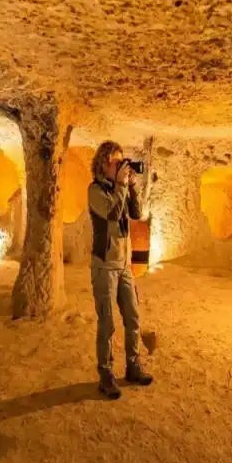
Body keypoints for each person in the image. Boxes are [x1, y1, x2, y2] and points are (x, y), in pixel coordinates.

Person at [87, 141, 154, 399]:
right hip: (104, 267)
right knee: (107, 323)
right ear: (104, 164)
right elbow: (113, 214)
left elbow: (135, 214)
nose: (122, 166)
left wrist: (133, 185)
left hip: (124, 266)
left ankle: (133, 366)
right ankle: (105, 375)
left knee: (133, 317)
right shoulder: (95, 190)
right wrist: (121, 186)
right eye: (117, 163)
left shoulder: (121, 188)